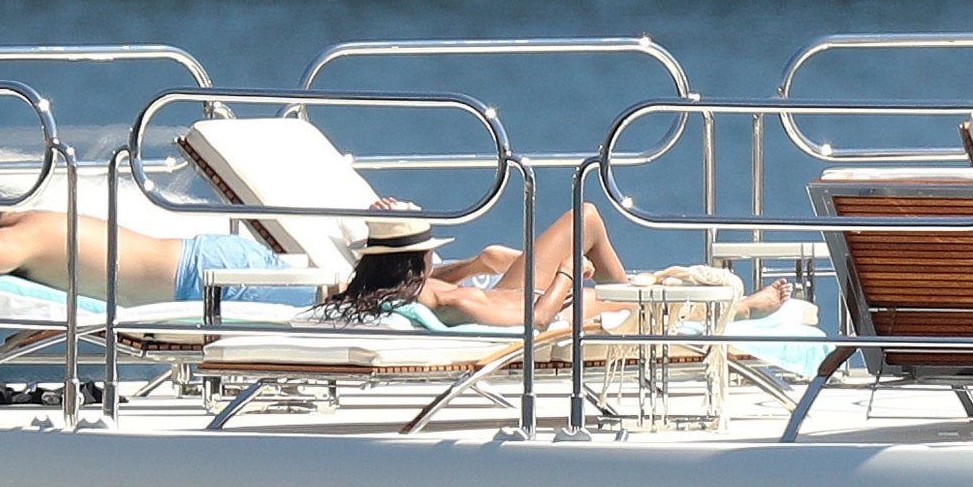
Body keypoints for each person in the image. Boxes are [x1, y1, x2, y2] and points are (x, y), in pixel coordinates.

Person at [320, 199, 793, 330]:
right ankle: (742, 310)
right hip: (553, 306)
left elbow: (424, 283)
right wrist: (568, 273)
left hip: (509, 292)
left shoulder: (403, 290)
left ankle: (621, 287)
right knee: (643, 301)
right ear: (419, 258)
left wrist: (476, 263)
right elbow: (539, 321)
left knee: (585, 217)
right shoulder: (456, 301)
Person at [0, 177, 320, 307]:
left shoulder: (17, 238)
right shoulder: (36, 220)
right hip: (210, 258)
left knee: (344, 314)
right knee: (336, 303)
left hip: (205, 283)